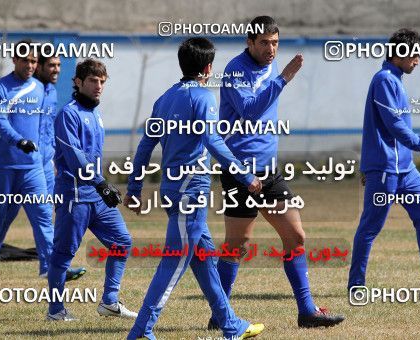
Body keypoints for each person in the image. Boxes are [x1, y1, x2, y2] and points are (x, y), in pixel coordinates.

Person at [209, 16, 344, 329]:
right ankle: (220, 315)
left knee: (295, 236)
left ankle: (307, 311)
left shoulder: (269, 68)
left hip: (268, 172)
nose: (271, 49)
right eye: (265, 43)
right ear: (250, 42)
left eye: (275, 43)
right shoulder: (235, 70)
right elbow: (250, 110)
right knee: (236, 245)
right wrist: (283, 78)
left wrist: (279, 77)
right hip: (239, 171)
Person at [124, 37, 264, 340]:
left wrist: (134, 187)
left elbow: (146, 145)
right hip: (192, 190)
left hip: (172, 189)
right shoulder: (202, 97)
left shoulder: (164, 98)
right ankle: (140, 331)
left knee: (204, 259)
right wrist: (244, 175)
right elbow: (212, 141)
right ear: (208, 67)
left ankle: (231, 325)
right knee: (174, 260)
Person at [348, 28, 420, 292]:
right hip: (386, 170)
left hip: (405, 169)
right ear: (399, 54)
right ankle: (356, 284)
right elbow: (394, 125)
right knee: (371, 226)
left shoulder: (395, 80)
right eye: (414, 54)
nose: (418, 60)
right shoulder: (385, 80)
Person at [47, 58, 136, 321]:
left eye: (102, 82)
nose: (98, 86)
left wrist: (101, 185)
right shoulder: (68, 114)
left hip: (96, 197)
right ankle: (55, 311)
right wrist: (101, 183)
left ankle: (109, 302)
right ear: (78, 82)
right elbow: (75, 157)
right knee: (63, 254)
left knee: (122, 242)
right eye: (93, 81)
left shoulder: (96, 114)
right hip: (74, 197)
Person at [0, 46, 86, 283]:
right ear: (39, 66)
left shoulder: (51, 92)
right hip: (16, 164)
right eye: (51, 65)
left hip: (43, 165)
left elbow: (51, 129)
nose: (56, 70)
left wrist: (55, 159)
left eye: (59, 65)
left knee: (44, 216)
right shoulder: (17, 89)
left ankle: (50, 266)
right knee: (4, 216)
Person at [0, 40, 53, 286]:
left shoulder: (40, 89)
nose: (30, 65)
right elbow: (1, 122)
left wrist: (44, 157)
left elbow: (42, 128)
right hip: (3, 166)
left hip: (32, 168)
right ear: (15, 60)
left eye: (34, 61)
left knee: (43, 216)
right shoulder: (0, 88)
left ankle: (51, 268)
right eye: (25, 60)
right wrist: (20, 141)